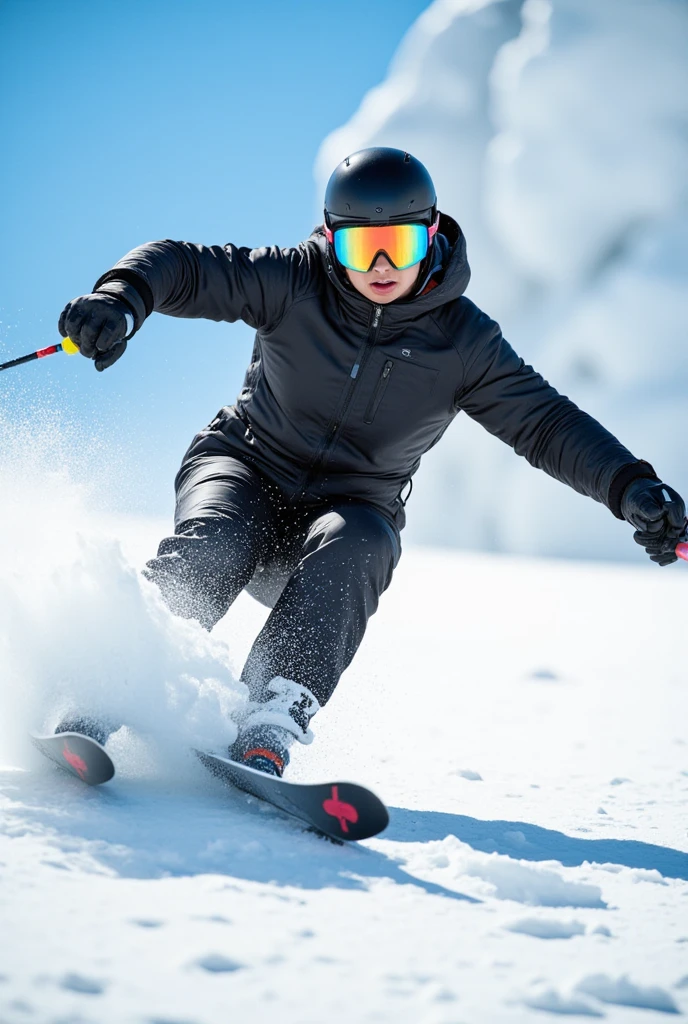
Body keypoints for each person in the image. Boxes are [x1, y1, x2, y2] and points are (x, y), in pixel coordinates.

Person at [57, 147, 686, 776]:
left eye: (401, 245)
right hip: (244, 466)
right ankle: (111, 684)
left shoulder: (463, 342)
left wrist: (629, 485)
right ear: (332, 242)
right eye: (362, 250)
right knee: (215, 545)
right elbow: (188, 268)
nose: (382, 266)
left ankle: (271, 714)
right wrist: (123, 297)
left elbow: (545, 423)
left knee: (360, 543)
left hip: (350, 512)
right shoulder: (294, 282)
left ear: (431, 236)